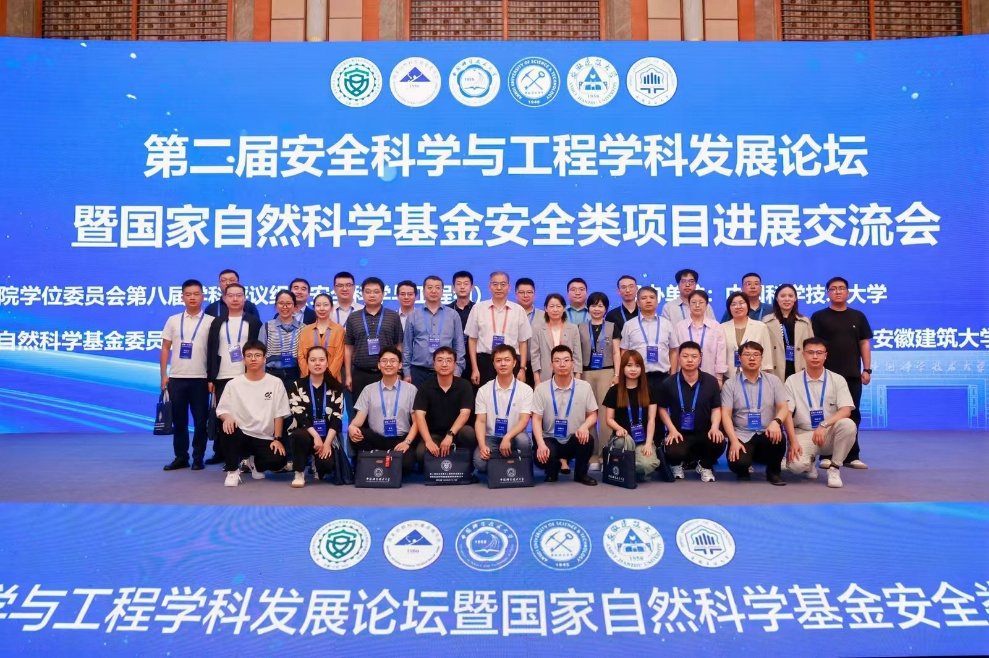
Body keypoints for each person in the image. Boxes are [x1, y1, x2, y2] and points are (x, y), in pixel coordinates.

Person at [811, 276, 873, 470]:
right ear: (827, 293)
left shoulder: (858, 316)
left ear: (848, 292)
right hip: (826, 375)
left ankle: (852, 455)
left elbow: (864, 343)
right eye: (833, 288)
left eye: (841, 288)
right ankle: (826, 455)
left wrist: (867, 369)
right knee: (828, 414)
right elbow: (813, 346)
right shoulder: (819, 317)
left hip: (851, 374)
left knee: (852, 414)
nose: (837, 291)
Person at [783, 338, 857, 488]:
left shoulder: (837, 380)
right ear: (803, 354)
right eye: (810, 352)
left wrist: (823, 425)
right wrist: (793, 441)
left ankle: (834, 468)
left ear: (825, 355)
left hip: (828, 432)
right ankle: (809, 462)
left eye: (819, 353)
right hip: (803, 432)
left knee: (848, 425)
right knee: (795, 466)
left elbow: (846, 410)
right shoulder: (792, 381)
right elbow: (787, 413)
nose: (815, 356)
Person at [217, 340, 291, 486]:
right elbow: (221, 410)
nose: (253, 359)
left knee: (278, 460)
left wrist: (277, 439)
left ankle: (256, 463)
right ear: (243, 359)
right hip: (241, 434)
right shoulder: (233, 384)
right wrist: (227, 417)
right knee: (226, 426)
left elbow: (279, 413)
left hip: (264, 436)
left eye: (257, 355)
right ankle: (232, 471)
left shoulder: (275, 383)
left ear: (264, 359)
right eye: (249, 355)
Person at [204, 283, 262, 465]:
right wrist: (211, 377)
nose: (235, 299)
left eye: (239, 295)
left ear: (245, 298)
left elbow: (259, 350)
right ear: (225, 298)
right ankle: (227, 457)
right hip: (223, 376)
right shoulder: (217, 322)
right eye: (231, 295)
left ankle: (247, 457)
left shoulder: (253, 322)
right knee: (225, 417)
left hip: (246, 376)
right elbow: (211, 350)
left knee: (247, 416)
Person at [161, 279, 215, 471]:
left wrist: (212, 378)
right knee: (179, 420)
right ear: (182, 297)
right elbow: (165, 348)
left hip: (201, 378)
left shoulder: (211, 322)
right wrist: (163, 376)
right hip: (177, 377)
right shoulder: (173, 320)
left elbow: (213, 352)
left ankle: (198, 457)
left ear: (203, 296)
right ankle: (181, 457)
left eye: (196, 294)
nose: (192, 297)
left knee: (200, 421)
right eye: (188, 294)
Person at [721, 341, 791, 486]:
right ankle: (744, 468)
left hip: (767, 432)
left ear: (761, 358)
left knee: (778, 436)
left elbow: (783, 407)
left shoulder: (774, 381)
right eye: (747, 354)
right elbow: (726, 415)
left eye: (756, 355)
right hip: (742, 434)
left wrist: (776, 422)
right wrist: (733, 440)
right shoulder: (730, 384)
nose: (752, 358)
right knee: (738, 463)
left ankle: (773, 472)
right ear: (739, 358)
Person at [658, 341, 726, 482]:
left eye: (694, 356)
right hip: (679, 433)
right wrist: (671, 430)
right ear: (679, 358)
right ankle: (677, 464)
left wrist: (715, 427)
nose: (690, 360)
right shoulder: (668, 383)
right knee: (673, 450)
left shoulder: (711, 381)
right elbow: (662, 409)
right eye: (685, 356)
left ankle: (704, 465)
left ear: (700, 359)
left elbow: (716, 408)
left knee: (719, 441)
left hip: (705, 432)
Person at [532, 345, 599, 486]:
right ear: (551, 365)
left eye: (566, 360)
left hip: (574, 438)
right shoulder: (541, 389)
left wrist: (585, 427)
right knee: (541, 457)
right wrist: (540, 444)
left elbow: (593, 414)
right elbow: (536, 419)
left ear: (573, 364)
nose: (562, 364)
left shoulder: (584, 387)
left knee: (587, 440)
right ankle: (552, 469)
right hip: (551, 438)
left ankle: (580, 474)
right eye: (557, 361)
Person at [349, 346, 419, 477]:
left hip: (400, 439)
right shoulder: (369, 390)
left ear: (400, 365)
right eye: (384, 361)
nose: (388, 364)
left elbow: (417, 422)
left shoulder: (411, 390)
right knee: (356, 434)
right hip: (377, 439)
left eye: (393, 361)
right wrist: (352, 427)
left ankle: (378, 460)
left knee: (406, 465)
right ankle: (377, 458)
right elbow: (359, 418)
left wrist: (407, 442)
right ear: (379, 365)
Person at [286, 346, 344, 487]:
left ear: (327, 362)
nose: (317, 363)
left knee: (326, 465)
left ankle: (316, 463)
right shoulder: (297, 385)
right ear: (307, 362)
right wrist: (316, 436)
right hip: (305, 432)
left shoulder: (336, 387)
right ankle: (299, 472)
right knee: (299, 436)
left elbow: (336, 418)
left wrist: (327, 443)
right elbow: (299, 415)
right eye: (313, 360)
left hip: (326, 436)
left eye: (321, 360)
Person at [344, 276, 404, 408]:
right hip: (360, 373)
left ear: (383, 294)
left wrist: (399, 372)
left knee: (387, 410)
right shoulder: (353, 317)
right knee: (361, 412)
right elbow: (348, 348)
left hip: (387, 373)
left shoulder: (393, 316)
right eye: (368, 291)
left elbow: (399, 345)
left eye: (376, 292)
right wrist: (348, 375)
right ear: (362, 294)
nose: (372, 295)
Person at [473, 344, 534, 475]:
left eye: (507, 360)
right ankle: (506, 463)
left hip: (515, 436)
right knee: (480, 463)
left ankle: (513, 464)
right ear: (493, 364)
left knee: (523, 441)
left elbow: (524, 420)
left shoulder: (526, 390)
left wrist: (507, 437)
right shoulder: (484, 390)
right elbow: (480, 421)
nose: (503, 364)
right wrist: (482, 445)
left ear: (514, 363)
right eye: (498, 360)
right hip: (492, 437)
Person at [465, 271, 531, 387]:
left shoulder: (518, 310)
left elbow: (523, 342)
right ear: (489, 286)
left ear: (509, 287)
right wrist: (475, 368)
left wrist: (522, 368)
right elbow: (472, 339)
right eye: (495, 284)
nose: (499, 288)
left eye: (503, 284)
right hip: (485, 363)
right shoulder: (478, 308)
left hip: (510, 361)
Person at [413, 347, 478, 465]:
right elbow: (419, 415)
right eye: (440, 360)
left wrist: (450, 434)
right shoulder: (425, 387)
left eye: (448, 360)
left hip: (456, 433)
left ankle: (466, 466)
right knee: (421, 454)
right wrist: (428, 441)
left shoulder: (465, 385)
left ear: (455, 365)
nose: (444, 364)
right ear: (434, 364)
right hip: (434, 434)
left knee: (468, 433)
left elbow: (465, 413)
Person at [578, 291, 620, 470]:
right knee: (588, 414)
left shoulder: (612, 326)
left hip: (607, 372)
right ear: (588, 308)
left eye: (600, 306)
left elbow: (616, 352)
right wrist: (577, 376)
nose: (597, 309)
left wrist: (617, 374)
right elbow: (577, 354)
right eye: (593, 305)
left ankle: (605, 455)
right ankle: (592, 455)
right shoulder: (580, 327)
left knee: (605, 415)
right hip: (585, 373)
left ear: (606, 308)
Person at [602, 350, 660, 481]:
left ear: (642, 368)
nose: (633, 369)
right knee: (625, 441)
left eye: (637, 366)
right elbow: (609, 419)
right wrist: (618, 428)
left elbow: (651, 419)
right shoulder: (614, 391)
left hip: (643, 440)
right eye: (629, 365)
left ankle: (623, 468)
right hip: (622, 439)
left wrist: (648, 443)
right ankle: (627, 469)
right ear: (622, 368)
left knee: (646, 465)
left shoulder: (649, 389)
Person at [403, 275, 466, 386]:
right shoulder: (413, 315)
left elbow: (459, 345)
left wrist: (457, 371)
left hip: (447, 372)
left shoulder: (453, 315)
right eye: (430, 287)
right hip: (419, 372)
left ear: (442, 291)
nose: (433, 291)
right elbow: (407, 347)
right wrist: (407, 372)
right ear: (423, 291)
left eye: (437, 288)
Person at [619, 286, 676, 402]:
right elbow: (624, 351)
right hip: (637, 377)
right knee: (640, 410)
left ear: (657, 301)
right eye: (644, 298)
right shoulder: (629, 325)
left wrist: (673, 375)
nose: (648, 301)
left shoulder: (667, 324)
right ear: (638, 303)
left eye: (652, 297)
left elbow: (673, 351)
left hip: (663, 376)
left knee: (662, 410)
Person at [673, 290, 727, 383]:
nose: (697, 305)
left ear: (706, 305)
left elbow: (720, 353)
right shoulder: (679, 327)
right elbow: (675, 353)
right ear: (689, 305)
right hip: (684, 377)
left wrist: (719, 378)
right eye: (693, 302)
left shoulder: (716, 326)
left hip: (710, 376)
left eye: (701, 302)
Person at [763, 284, 813, 383]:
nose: (787, 299)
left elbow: (811, 347)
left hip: (799, 365)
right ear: (776, 299)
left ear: (795, 299)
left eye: (790, 296)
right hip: (776, 367)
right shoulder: (767, 321)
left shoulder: (805, 321)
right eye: (783, 296)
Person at [530, 293, 582, 386]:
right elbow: (535, 356)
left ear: (564, 308)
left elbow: (577, 356)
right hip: (545, 376)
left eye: (558, 306)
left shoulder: (573, 329)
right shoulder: (538, 329)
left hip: (568, 375)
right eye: (551, 306)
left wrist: (577, 378)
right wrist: (536, 380)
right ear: (546, 309)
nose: (555, 310)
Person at [333, 270, 364, 422]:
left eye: (348, 285)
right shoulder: (327, 311)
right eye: (340, 285)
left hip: (355, 365)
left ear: (354, 287)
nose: (344, 289)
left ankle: (355, 437)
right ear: (334, 288)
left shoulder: (363, 311)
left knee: (355, 409)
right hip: (332, 365)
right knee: (332, 409)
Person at [258, 289, 304, 390]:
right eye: (281, 303)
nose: (285, 307)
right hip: (271, 374)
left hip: (294, 374)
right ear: (276, 305)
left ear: (295, 306)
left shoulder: (303, 328)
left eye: (288, 303)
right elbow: (260, 354)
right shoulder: (266, 326)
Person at [722, 291, 774, 377]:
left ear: (747, 305)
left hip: (755, 375)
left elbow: (767, 354)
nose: (738, 307)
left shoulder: (760, 327)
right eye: (733, 304)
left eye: (741, 303)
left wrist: (765, 375)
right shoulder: (722, 328)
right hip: (729, 375)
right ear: (729, 308)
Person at [297, 293, 345, 381]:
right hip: (308, 380)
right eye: (318, 305)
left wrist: (327, 378)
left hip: (332, 380)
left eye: (325, 305)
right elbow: (301, 356)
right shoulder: (306, 330)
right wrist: (311, 376)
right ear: (314, 308)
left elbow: (339, 357)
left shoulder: (339, 330)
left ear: (332, 307)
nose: (322, 308)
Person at [448, 270, 476, 386]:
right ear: (453, 288)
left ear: (472, 287)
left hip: (474, 360)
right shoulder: (446, 310)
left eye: (466, 284)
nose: (462, 287)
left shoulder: (478, 309)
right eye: (459, 284)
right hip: (451, 360)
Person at [514, 277, 542, 389]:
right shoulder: (510, 314)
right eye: (521, 292)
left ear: (534, 294)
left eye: (529, 292)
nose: (525, 295)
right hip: (515, 364)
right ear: (516, 294)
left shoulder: (544, 316)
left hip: (537, 365)